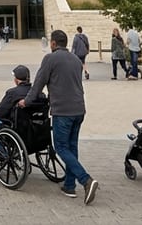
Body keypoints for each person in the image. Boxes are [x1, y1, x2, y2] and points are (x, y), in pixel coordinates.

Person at [22, 30, 99, 205]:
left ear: (53, 43)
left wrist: (26, 102)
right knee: (72, 147)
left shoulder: (50, 59)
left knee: (61, 147)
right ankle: (69, 186)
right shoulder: (76, 59)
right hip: (79, 109)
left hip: (63, 111)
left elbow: (38, 84)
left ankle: (86, 180)